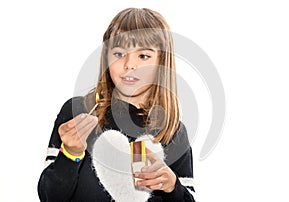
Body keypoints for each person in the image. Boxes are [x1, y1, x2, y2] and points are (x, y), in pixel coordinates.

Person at [38, 7, 196, 201]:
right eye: (119, 53)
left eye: (143, 56)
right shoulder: (78, 113)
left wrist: (173, 187)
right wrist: (71, 154)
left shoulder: (173, 131)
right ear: (106, 57)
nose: (130, 64)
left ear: (162, 62)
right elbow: (49, 196)